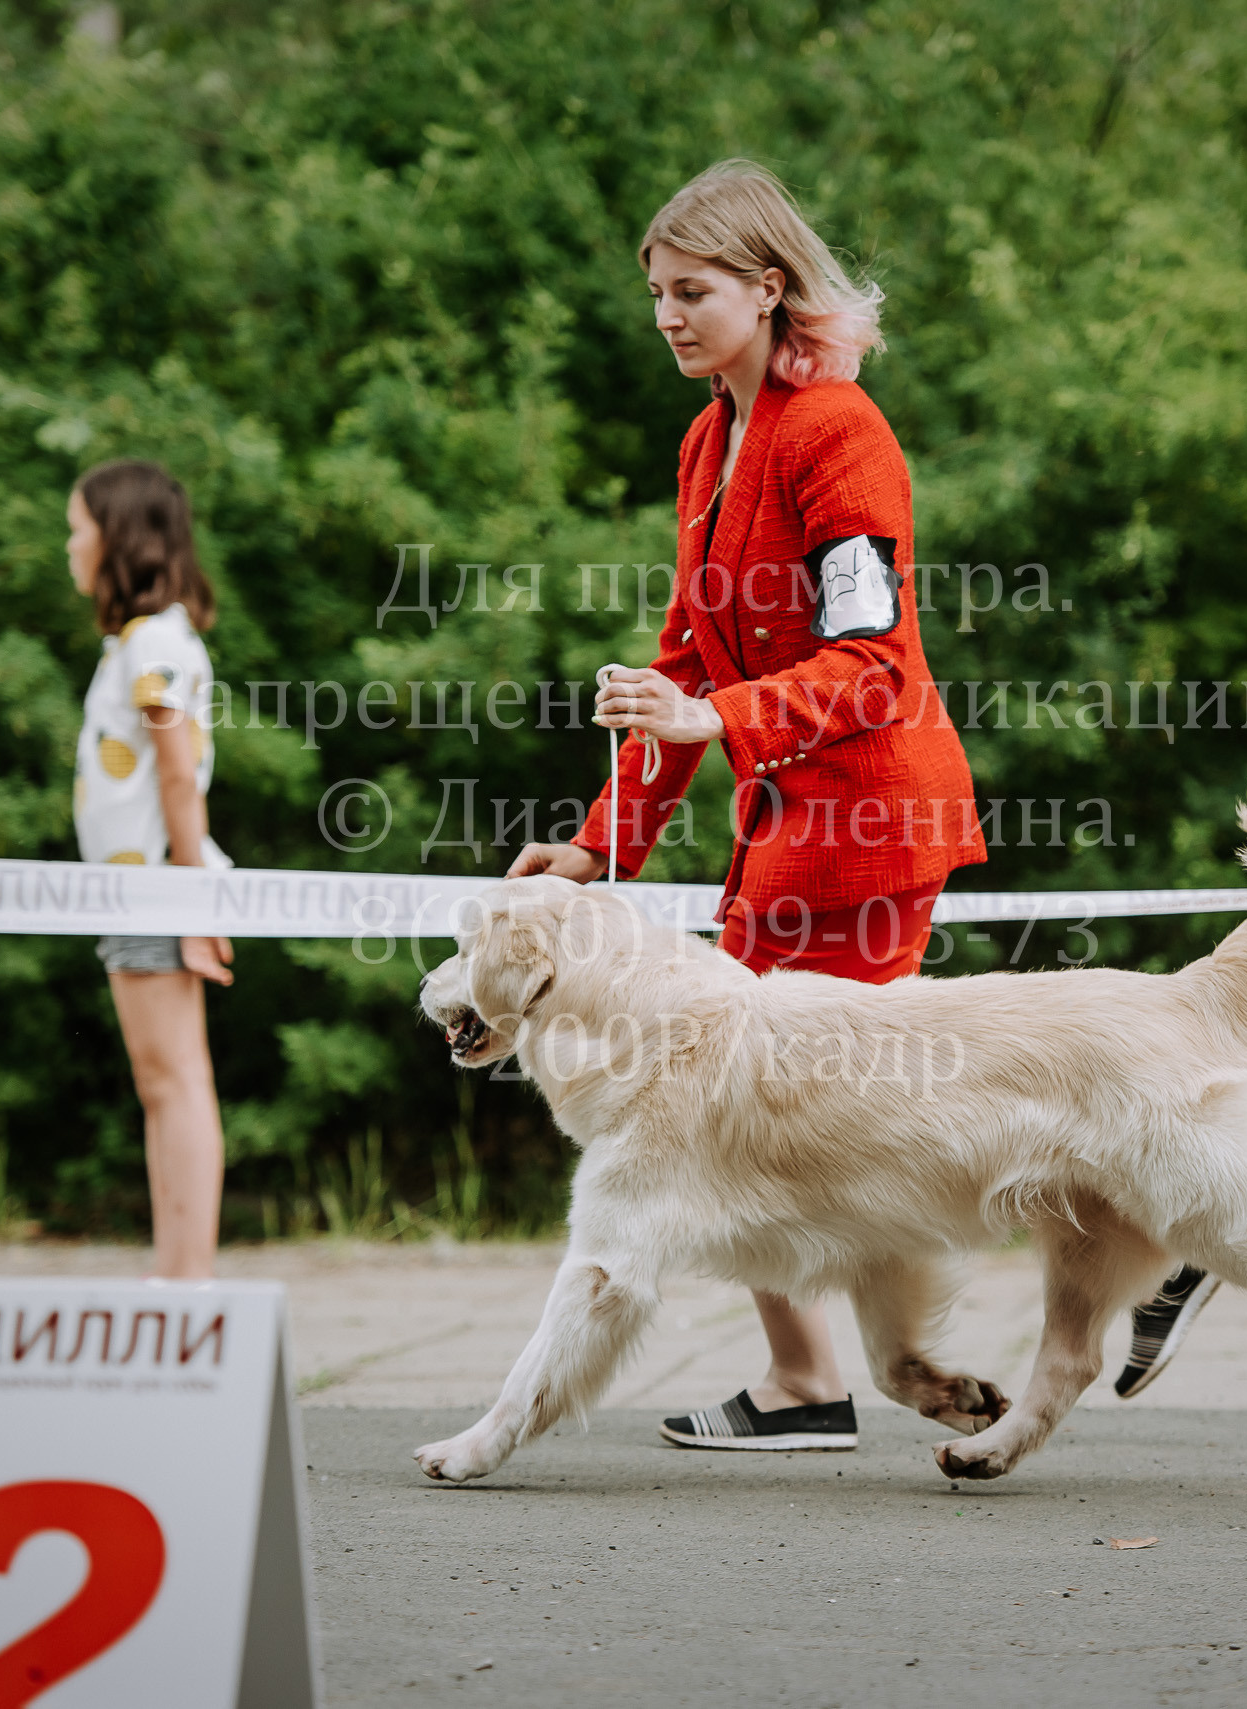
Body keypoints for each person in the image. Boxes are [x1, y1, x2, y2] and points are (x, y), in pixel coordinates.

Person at [508, 160, 989, 1450]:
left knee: (854, 1106)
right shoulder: (706, 441)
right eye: (657, 293)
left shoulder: (839, 431)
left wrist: (718, 719)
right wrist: (596, 848)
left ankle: (1141, 1212)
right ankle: (806, 1377)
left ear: (769, 287)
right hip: (788, 835)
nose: (668, 315)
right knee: (754, 1094)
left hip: (873, 825)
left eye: (694, 291)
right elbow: (681, 660)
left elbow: (872, 664)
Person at [66, 459, 234, 1280]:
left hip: (157, 890)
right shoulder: (144, 640)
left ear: (120, 539)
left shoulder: (154, 640)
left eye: (79, 530)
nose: (70, 546)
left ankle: (186, 1282)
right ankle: (175, 1274)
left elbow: (175, 775)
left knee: (174, 1081)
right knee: (162, 1082)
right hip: (142, 891)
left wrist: (191, 902)